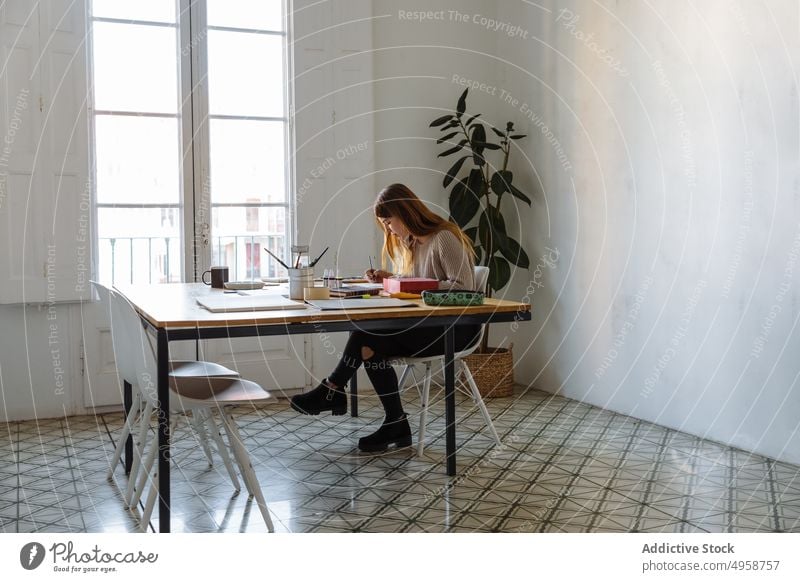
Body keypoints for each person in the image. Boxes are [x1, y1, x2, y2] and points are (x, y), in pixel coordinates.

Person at [290, 183, 482, 452]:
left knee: (365, 336)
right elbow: (417, 286)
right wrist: (391, 279)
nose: (388, 229)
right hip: (427, 324)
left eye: (388, 221)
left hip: (455, 328)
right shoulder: (414, 243)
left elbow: (465, 289)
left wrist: (415, 284)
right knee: (367, 344)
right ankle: (394, 422)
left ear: (405, 214)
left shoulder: (443, 239)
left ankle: (334, 391)